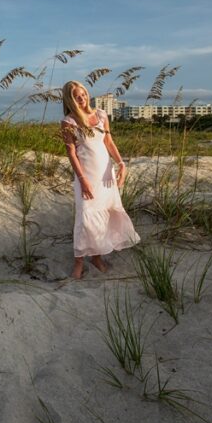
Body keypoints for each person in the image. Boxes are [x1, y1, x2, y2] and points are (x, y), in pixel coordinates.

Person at [60, 80, 140, 279]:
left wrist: (121, 163)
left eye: (83, 94)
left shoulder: (101, 115)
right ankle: (79, 261)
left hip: (106, 174)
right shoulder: (68, 122)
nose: (82, 98)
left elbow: (108, 142)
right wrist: (82, 180)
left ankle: (96, 257)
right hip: (86, 176)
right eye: (76, 96)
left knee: (103, 215)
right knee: (85, 216)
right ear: (69, 100)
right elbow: (71, 153)